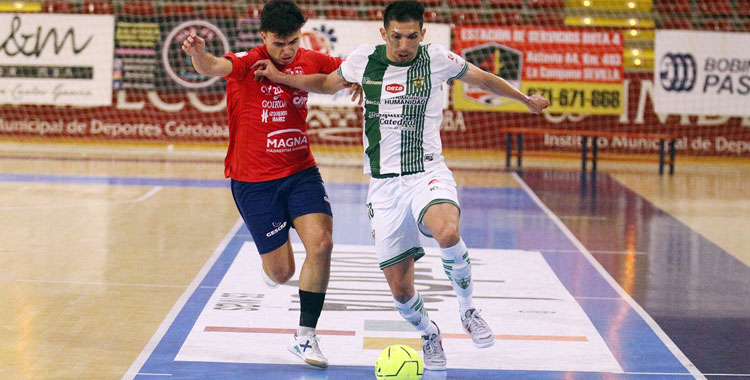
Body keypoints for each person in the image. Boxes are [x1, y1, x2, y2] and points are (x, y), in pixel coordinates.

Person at [252, 0, 549, 371]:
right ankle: (429, 332)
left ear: (422, 35)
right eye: (397, 37)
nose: (404, 44)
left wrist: (524, 100)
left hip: (427, 172)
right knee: (402, 291)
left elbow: (481, 78)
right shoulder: (364, 59)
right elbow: (327, 84)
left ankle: (468, 308)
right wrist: (282, 78)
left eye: (412, 36)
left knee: (447, 231)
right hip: (384, 187)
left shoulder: (437, 58)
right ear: (383, 34)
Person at [182, 0, 361, 369]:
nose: (287, 50)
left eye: (293, 41)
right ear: (264, 36)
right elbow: (214, 66)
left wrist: (358, 78)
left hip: (300, 171)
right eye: (279, 43)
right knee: (282, 273)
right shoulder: (248, 61)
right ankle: (272, 266)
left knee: (323, 243)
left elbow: (338, 75)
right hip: (253, 182)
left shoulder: (308, 59)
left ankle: (305, 337)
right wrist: (199, 55)